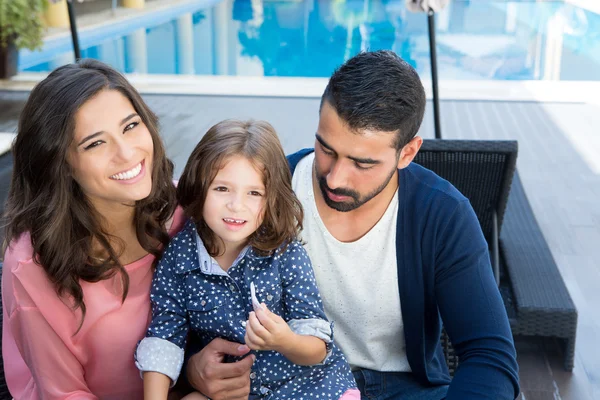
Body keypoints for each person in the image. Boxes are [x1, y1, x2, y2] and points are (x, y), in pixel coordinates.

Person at [186, 51, 520, 399]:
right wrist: (193, 367)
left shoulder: (442, 214)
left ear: (407, 153)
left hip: (403, 389)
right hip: (286, 384)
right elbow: (192, 290)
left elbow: (489, 356)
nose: (334, 178)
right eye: (326, 149)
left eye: (362, 163)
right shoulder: (264, 191)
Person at [1, 59, 187, 399]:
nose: (127, 153)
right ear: (62, 163)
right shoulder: (32, 265)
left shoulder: (183, 209)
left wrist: (202, 372)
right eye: (95, 143)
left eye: (130, 126)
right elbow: (65, 394)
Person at [134, 119, 359, 400]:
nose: (236, 205)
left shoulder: (285, 252)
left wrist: (285, 340)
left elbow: (317, 348)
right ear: (199, 187)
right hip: (239, 392)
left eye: (254, 193)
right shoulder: (179, 256)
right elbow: (165, 336)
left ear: (272, 198)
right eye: (221, 189)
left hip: (309, 388)